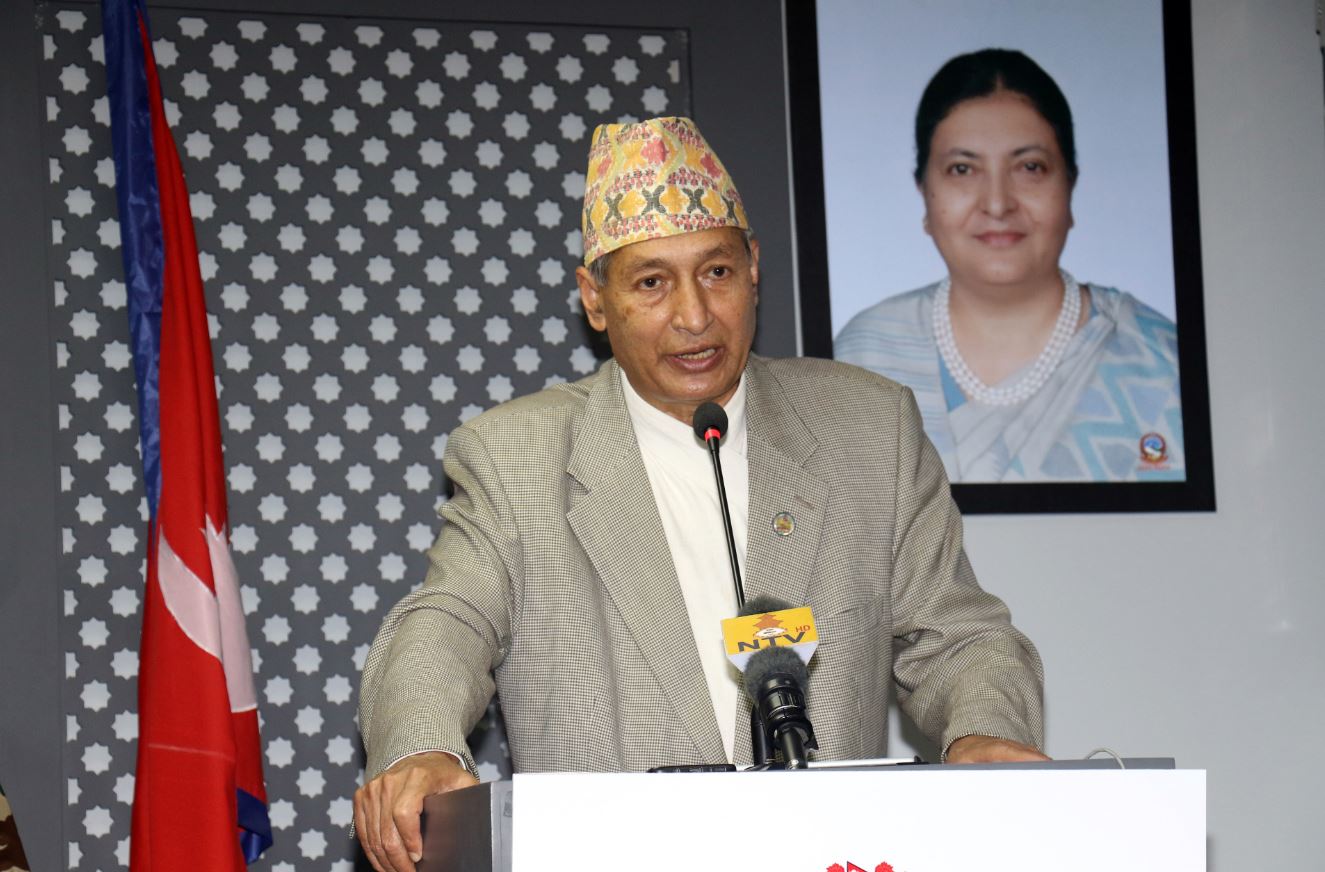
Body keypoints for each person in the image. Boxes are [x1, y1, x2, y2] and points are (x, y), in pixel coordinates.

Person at [354, 117, 1046, 872]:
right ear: (594, 299)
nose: (693, 315)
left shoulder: (869, 427)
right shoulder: (514, 455)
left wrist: (983, 730)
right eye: (651, 282)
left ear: (753, 269)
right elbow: (446, 621)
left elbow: (961, 637)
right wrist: (419, 747)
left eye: (715, 272)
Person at [835, 49, 1184, 483]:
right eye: (962, 169)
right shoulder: (861, 358)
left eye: (1030, 167)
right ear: (923, 190)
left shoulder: (1162, 365)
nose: (998, 204)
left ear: (1070, 184)